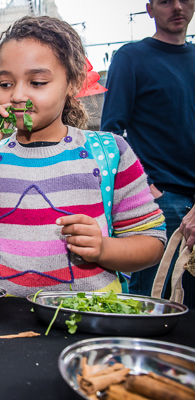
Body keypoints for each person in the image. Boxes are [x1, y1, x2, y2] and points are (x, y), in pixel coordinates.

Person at [0, 16, 167, 298]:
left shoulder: (109, 153)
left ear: (72, 83)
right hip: (3, 325)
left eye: (38, 82)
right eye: (6, 83)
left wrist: (104, 249)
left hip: (87, 318)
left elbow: (152, 242)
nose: (18, 95)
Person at [100, 0, 195, 302]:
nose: (177, 7)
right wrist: (147, 189)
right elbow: (111, 133)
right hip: (160, 200)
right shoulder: (132, 58)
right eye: (165, 1)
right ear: (150, 9)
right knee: (151, 311)